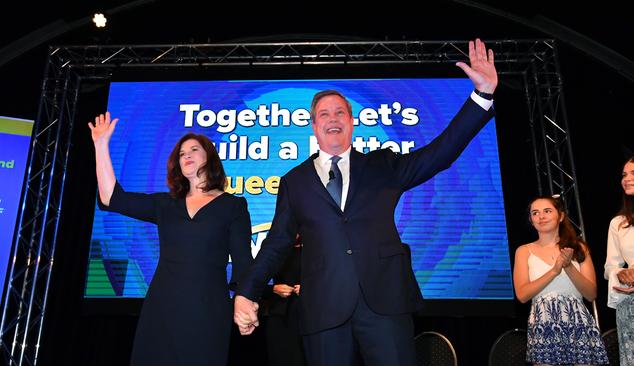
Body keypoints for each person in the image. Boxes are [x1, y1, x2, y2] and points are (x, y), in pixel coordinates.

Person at [234, 38, 498, 366]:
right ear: (314, 126)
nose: (333, 118)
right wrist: (247, 291)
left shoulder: (382, 166)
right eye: (324, 114)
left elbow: (439, 153)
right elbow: (277, 243)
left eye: (341, 112)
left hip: (385, 302)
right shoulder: (294, 181)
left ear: (351, 121)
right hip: (324, 308)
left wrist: (482, 96)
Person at [88, 113, 253, 366]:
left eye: (194, 150)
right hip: (162, 307)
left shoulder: (233, 205)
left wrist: (245, 300)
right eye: (181, 153)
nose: (186, 155)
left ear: (209, 156)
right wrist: (101, 145)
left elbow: (243, 261)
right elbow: (112, 198)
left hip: (207, 308)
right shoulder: (165, 204)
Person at [513, 195, 608, 366]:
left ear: (561, 216)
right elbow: (522, 294)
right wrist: (555, 270)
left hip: (578, 322)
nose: (541, 216)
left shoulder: (579, 247)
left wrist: (568, 267)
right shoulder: (524, 251)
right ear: (531, 219)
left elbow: (591, 294)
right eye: (535, 213)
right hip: (544, 323)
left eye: (547, 211)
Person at [604, 156, 634, 365]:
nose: (627, 179)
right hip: (630, 304)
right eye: (624, 174)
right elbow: (610, 267)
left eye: (633, 173)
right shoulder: (618, 223)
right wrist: (620, 274)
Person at [264, 235, 305, 366]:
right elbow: (253, 283)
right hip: (281, 315)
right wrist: (274, 289)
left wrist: (311, 287)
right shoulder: (274, 248)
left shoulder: (318, 246)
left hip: (312, 314)